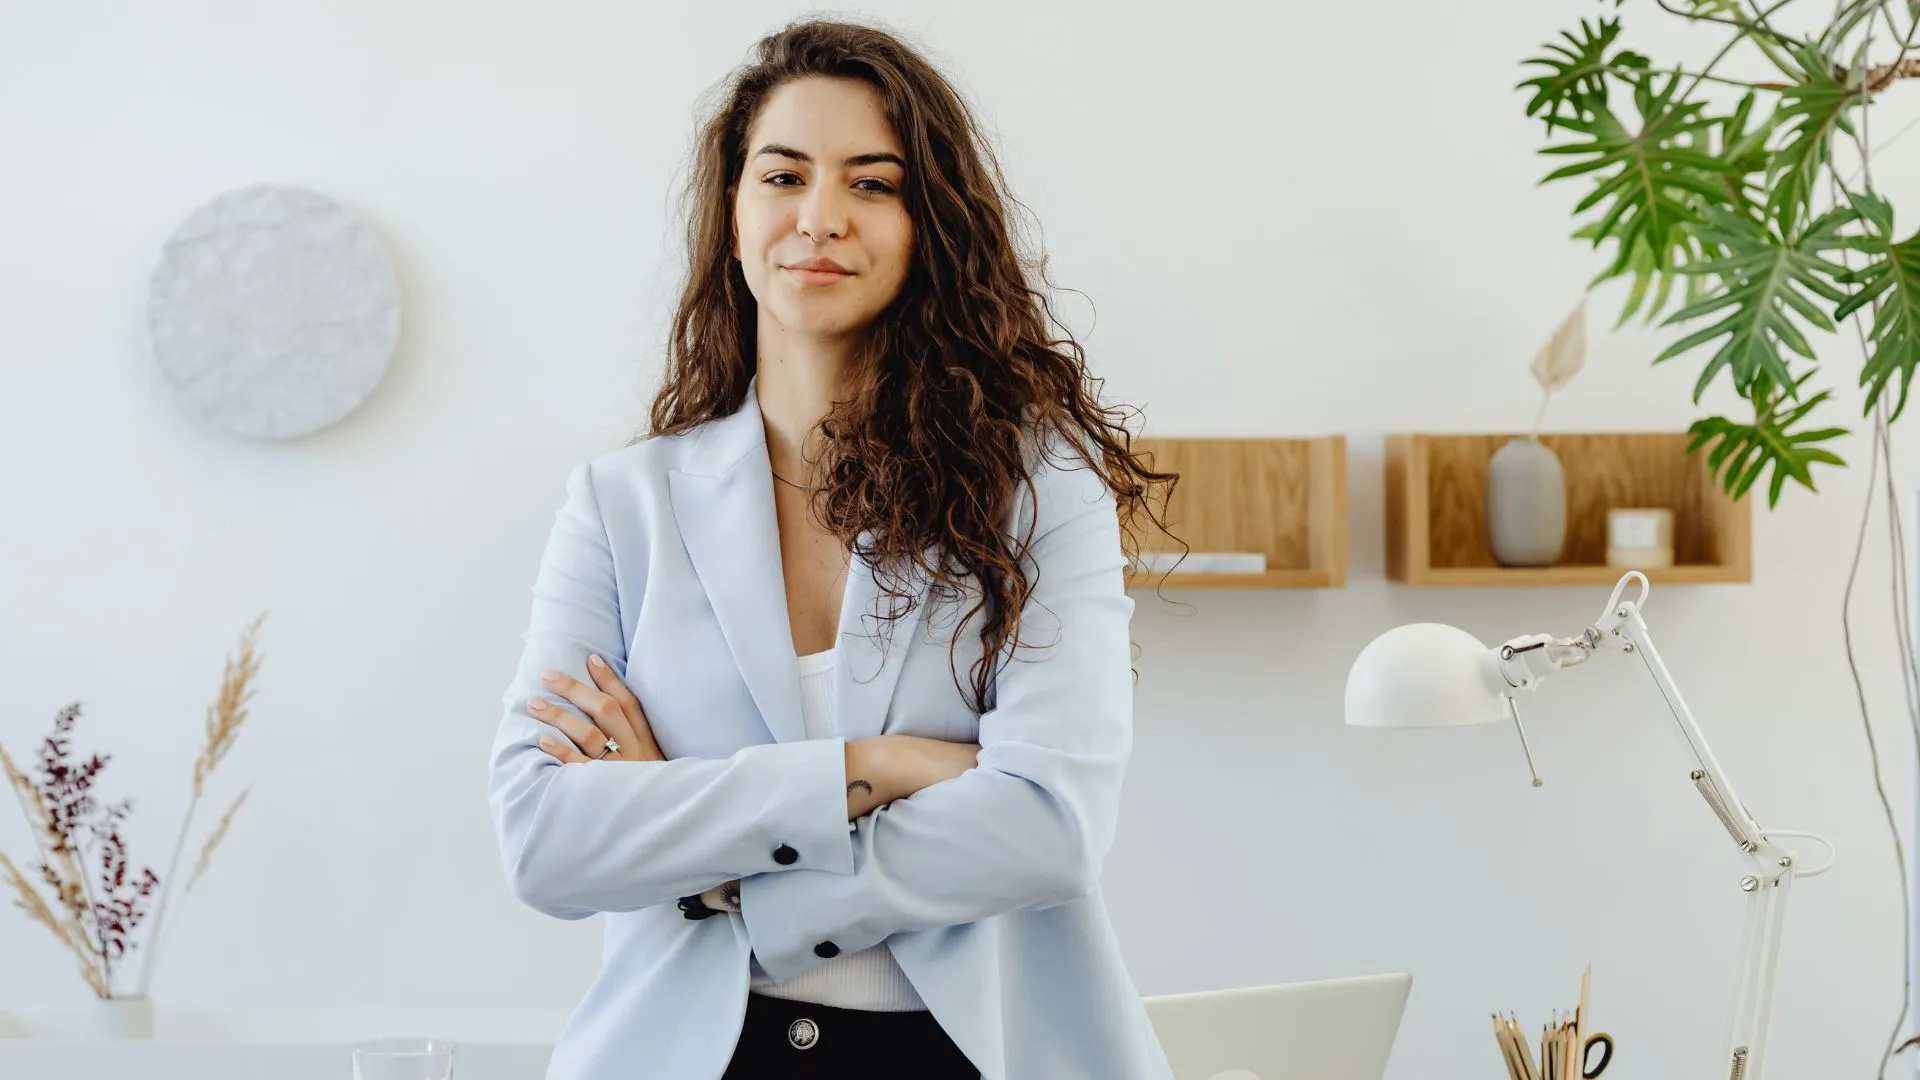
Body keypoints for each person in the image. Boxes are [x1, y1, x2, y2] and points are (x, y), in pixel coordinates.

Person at [487, 17, 1178, 1080]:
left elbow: (1047, 827)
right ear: (732, 215)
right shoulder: (621, 507)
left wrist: (716, 872)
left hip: (969, 1055)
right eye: (784, 176)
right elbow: (546, 838)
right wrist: (877, 768)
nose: (820, 219)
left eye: (872, 183)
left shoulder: (1036, 494)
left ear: (928, 225)